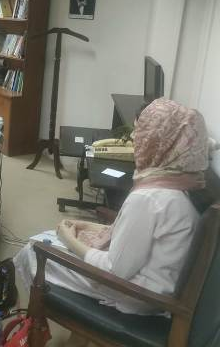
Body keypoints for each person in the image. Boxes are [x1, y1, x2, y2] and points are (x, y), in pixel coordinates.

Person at [15, 98, 209, 319]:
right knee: (55, 238)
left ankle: (36, 324)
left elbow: (113, 270)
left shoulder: (148, 198)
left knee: (34, 249)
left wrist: (68, 239)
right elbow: (137, 234)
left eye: (140, 131)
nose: (134, 137)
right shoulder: (184, 183)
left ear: (161, 142)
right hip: (158, 290)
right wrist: (84, 225)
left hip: (135, 296)